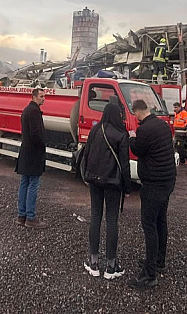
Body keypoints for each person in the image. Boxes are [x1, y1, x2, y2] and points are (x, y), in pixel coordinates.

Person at [128, 99, 176, 290]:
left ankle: (149, 275)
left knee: (149, 226)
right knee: (161, 221)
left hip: (153, 183)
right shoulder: (162, 125)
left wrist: (132, 137)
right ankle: (158, 260)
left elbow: (138, 149)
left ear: (137, 113)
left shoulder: (144, 130)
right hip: (167, 180)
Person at [81, 102, 132, 279]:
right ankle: (111, 266)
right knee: (112, 221)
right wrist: (127, 187)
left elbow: (87, 153)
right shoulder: (121, 134)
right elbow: (124, 164)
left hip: (94, 180)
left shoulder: (96, 130)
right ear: (118, 115)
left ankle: (93, 262)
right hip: (113, 183)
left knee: (95, 217)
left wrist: (86, 176)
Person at [14, 88, 48, 229]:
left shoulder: (26, 110)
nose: (43, 99)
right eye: (41, 96)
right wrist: (43, 145)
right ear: (34, 97)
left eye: (44, 96)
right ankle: (31, 217)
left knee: (24, 182)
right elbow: (35, 134)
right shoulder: (34, 112)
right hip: (34, 153)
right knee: (33, 184)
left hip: (26, 151)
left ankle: (21, 216)